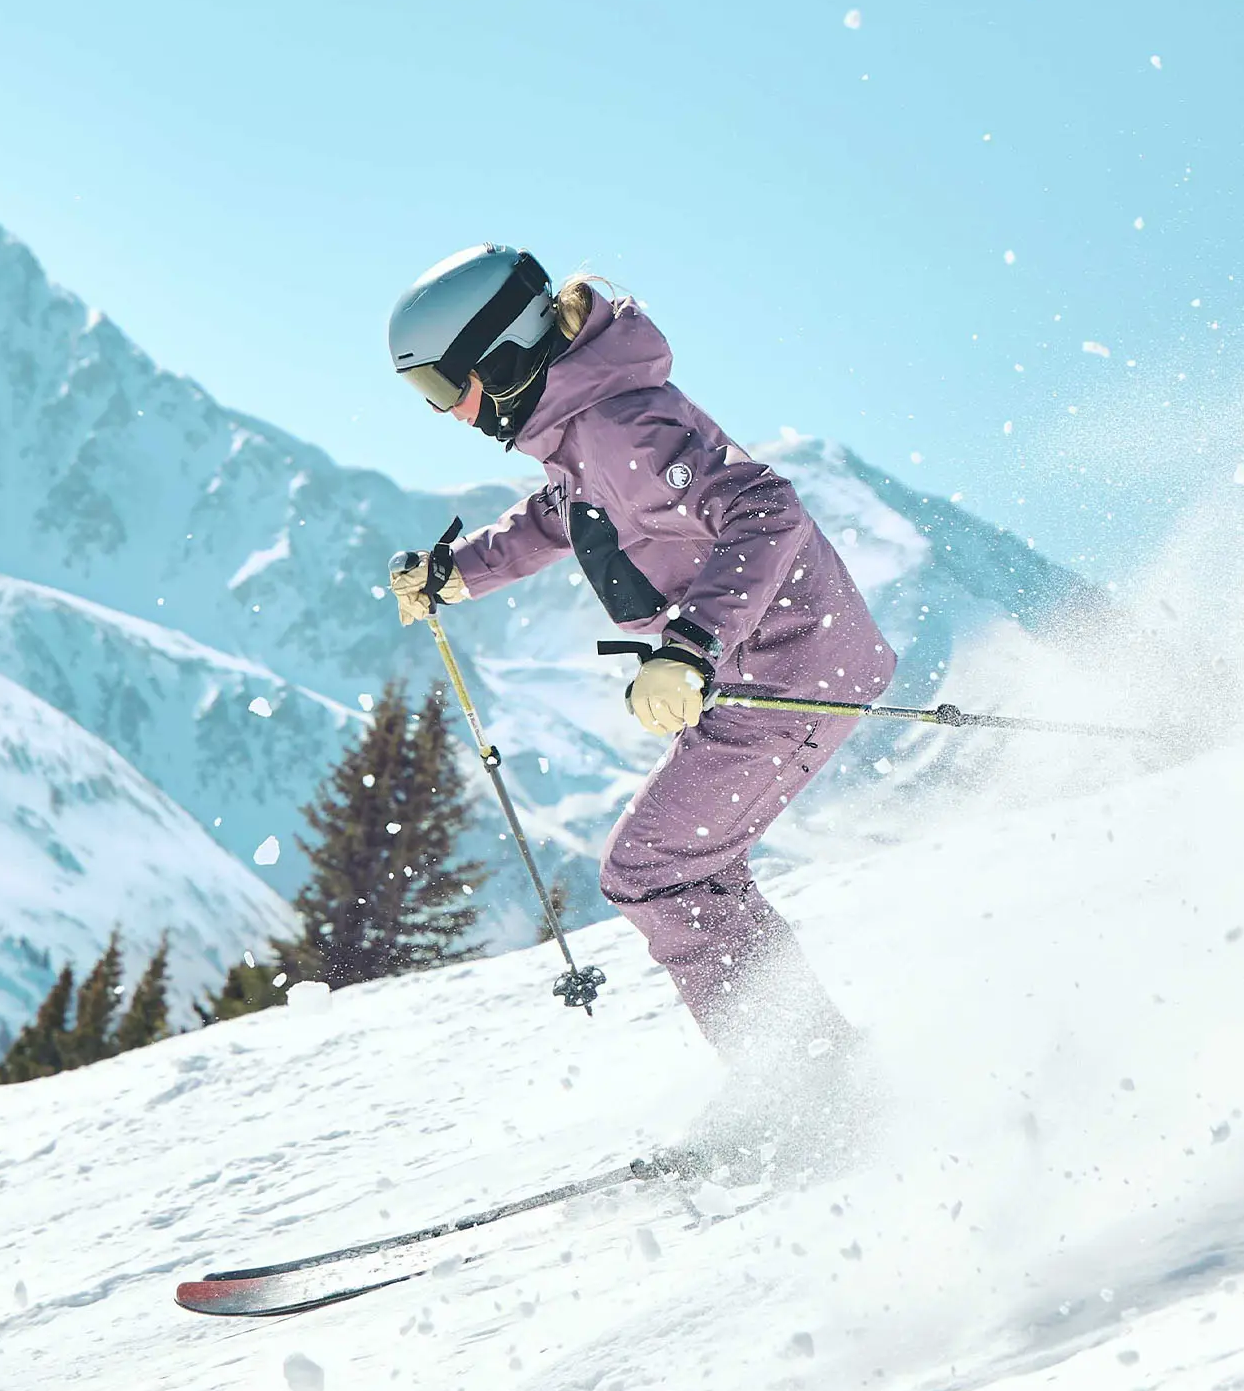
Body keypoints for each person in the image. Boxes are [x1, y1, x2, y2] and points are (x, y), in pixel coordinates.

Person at [382, 245, 898, 1144]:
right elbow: (560, 520)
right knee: (686, 869)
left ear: (501, 355)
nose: (448, 412)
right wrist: (455, 574)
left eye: (442, 386)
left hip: (790, 669)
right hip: (771, 667)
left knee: (651, 868)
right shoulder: (581, 430)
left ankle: (808, 1081)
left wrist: (693, 645)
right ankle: (812, 1068)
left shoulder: (621, 424)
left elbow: (765, 508)